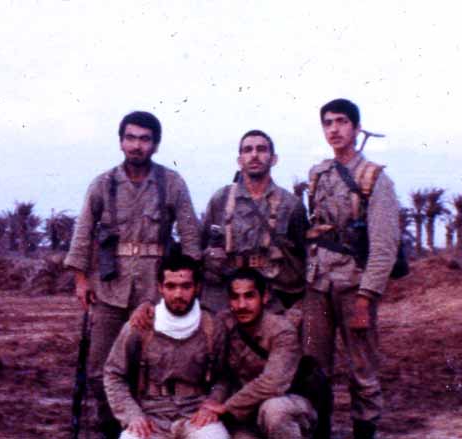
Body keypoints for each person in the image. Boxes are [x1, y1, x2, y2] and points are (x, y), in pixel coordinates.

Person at [64, 111, 202, 436]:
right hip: (110, 291)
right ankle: (111, 428)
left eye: (144, 139)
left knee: (153, 365)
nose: (137, 145)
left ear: (155, 145)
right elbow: (83, 232)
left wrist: (188, 284)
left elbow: (191, 236)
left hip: (157, 293)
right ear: (121, 142)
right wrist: (81, 280)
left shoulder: (171, 183)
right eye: (130, 138)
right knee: (100, 367)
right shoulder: (103, 184)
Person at [302, 99, 399, 438]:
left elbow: (384, 246)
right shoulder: (318, 175)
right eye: (328, 123)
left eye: (342, 122)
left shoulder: (375, 179)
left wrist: (365, 297)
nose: (334, 129)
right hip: (317, 284)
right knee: (314, 367)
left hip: (355, 287)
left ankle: (364, 430)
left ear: (357, 129)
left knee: (362, 370)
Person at [103, 253, 229, 439]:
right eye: (171, 286)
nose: (178, 294)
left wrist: (212, 404)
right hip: (151, 415)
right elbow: (114, 374)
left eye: (186, 286)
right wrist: (132, 415)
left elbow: (224, 377)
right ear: (160, 288)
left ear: (197, 287)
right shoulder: (140, 325)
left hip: (196, 414)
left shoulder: (212, 327)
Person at [201, 130, 308, 316]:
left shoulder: (291, 205)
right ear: (239, 160)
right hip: (225, 297)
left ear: (273, 159)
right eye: (247, 150)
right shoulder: (221, 199)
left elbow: (303, 256)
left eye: (261, 149)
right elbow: (201, 244)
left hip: (273, 298)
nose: (254, 155)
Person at [201, 268, 317, 439]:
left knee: (275, 410)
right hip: (247, 410)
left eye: (249, 296)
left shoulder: (281, 330)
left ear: (264, 297)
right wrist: (212, 404)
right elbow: (224, 377)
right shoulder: (226, 324)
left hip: (289, 402)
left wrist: (227, 407)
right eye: (235, 297)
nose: (242, 305)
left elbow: (273, 383)